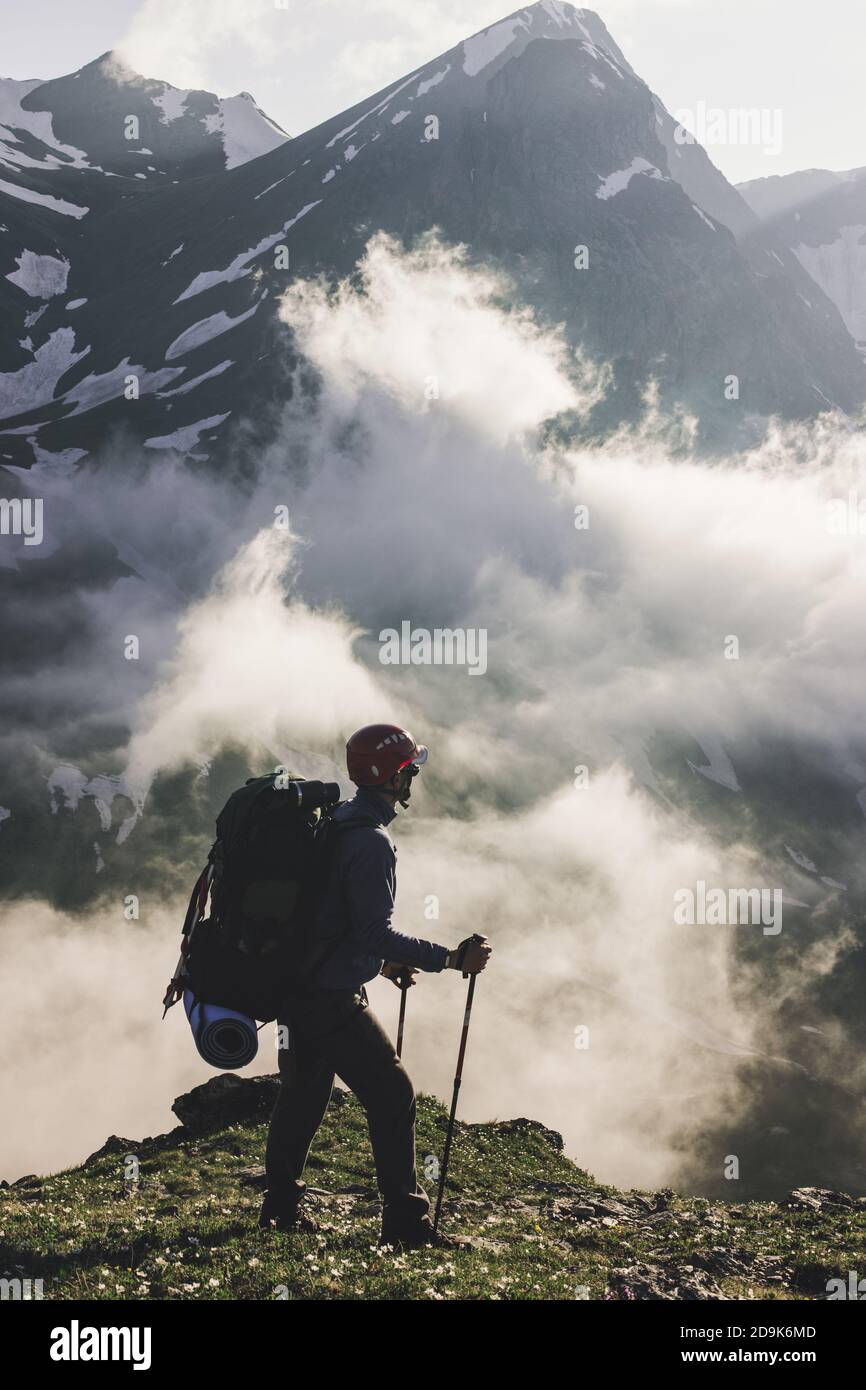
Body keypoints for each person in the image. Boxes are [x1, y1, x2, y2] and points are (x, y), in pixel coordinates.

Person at [260, 722, 492, 1249]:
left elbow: (331, 920)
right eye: (410, 770)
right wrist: (451, 958)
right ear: (393, 779)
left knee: (302, 1096)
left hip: (296, 991)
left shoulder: (338, 823)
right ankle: (407, 1226)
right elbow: (371, 930)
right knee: (393, 1095)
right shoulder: (370, 842)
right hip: (330, 999)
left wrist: (382, 964)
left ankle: (278, 1208)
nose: (414, 778)